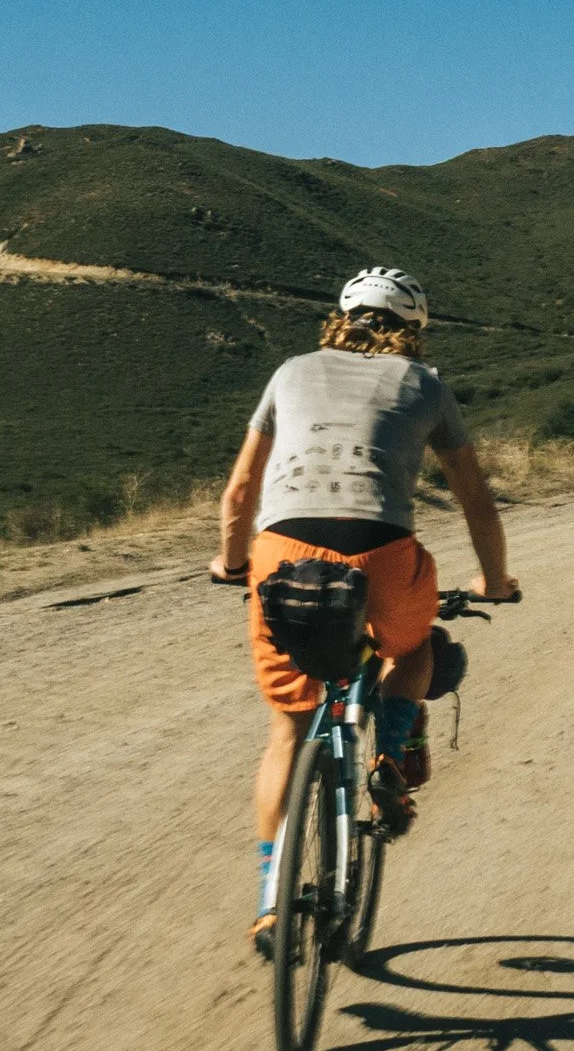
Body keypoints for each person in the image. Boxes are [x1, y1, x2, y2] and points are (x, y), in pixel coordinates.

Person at [209, 267, 518, 954]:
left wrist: (233, 564)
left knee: (289, 730)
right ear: (413, 330)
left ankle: (270, 903)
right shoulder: (426, 384)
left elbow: (238, 494)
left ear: (340, 317)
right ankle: (394, 747)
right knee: (412, 647)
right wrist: (495, 579)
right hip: (378, 549)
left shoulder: (291, 373)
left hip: (281, 550)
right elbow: (474, 498)